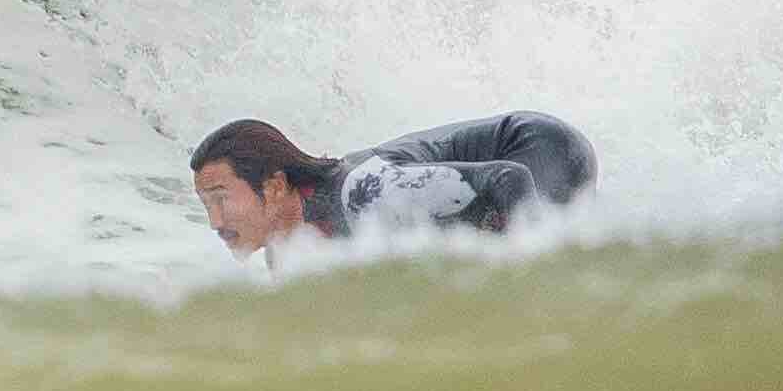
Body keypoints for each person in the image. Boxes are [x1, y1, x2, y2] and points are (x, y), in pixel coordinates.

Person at [188, 111, 596, 259]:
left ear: (275, 187)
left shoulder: (364, 194)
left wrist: (541, 279)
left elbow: (509, 179)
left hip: (542, 148)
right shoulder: (284, 250)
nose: (215, 222)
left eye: (221, 199)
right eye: (207, 205)